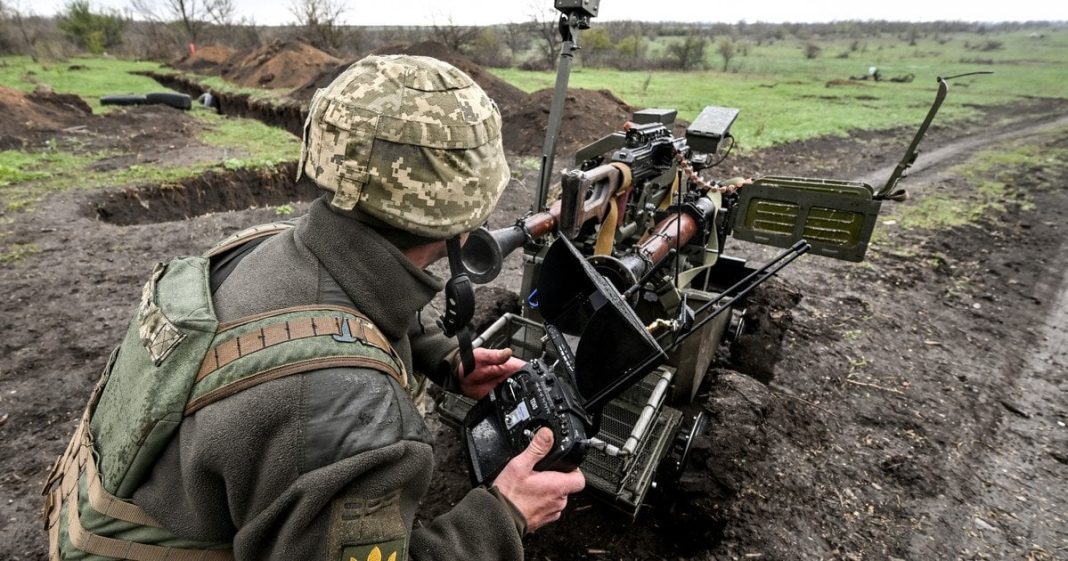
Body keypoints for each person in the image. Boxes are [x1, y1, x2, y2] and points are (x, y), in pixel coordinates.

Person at [43, 55, 585, 561]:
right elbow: (322, 393)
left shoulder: (264, 247)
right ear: (466, 210)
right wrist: (505, 514)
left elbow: (340, 311)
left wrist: (440, 357)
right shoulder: (353, 416)